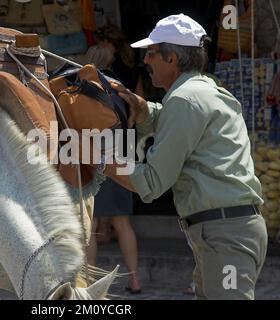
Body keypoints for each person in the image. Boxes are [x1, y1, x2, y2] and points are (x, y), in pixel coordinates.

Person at [93, 14, 267, 299]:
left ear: (171, 58)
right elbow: (181, 123)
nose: (145, 61)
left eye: (150, 53)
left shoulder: (185, 100)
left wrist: (100, 159)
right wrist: (146, 109)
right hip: (225, 232)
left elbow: (151, 181)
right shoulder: (202, 90)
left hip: (224, 236)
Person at [84, 45, 142, 294]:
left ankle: (89, 284)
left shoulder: (84, 86)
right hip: (122, 153)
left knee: (91, 223)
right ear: (111, 58)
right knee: (122, 222)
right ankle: (135, 280)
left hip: (94, 154)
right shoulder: (122, 88)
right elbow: (138, 116)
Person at [95, 24, 145, 97]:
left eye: (98, 43)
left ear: (105, 41)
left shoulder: (108, 65)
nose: (97, 47)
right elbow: (140, 95)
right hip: (131, 106)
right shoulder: (130, 62)